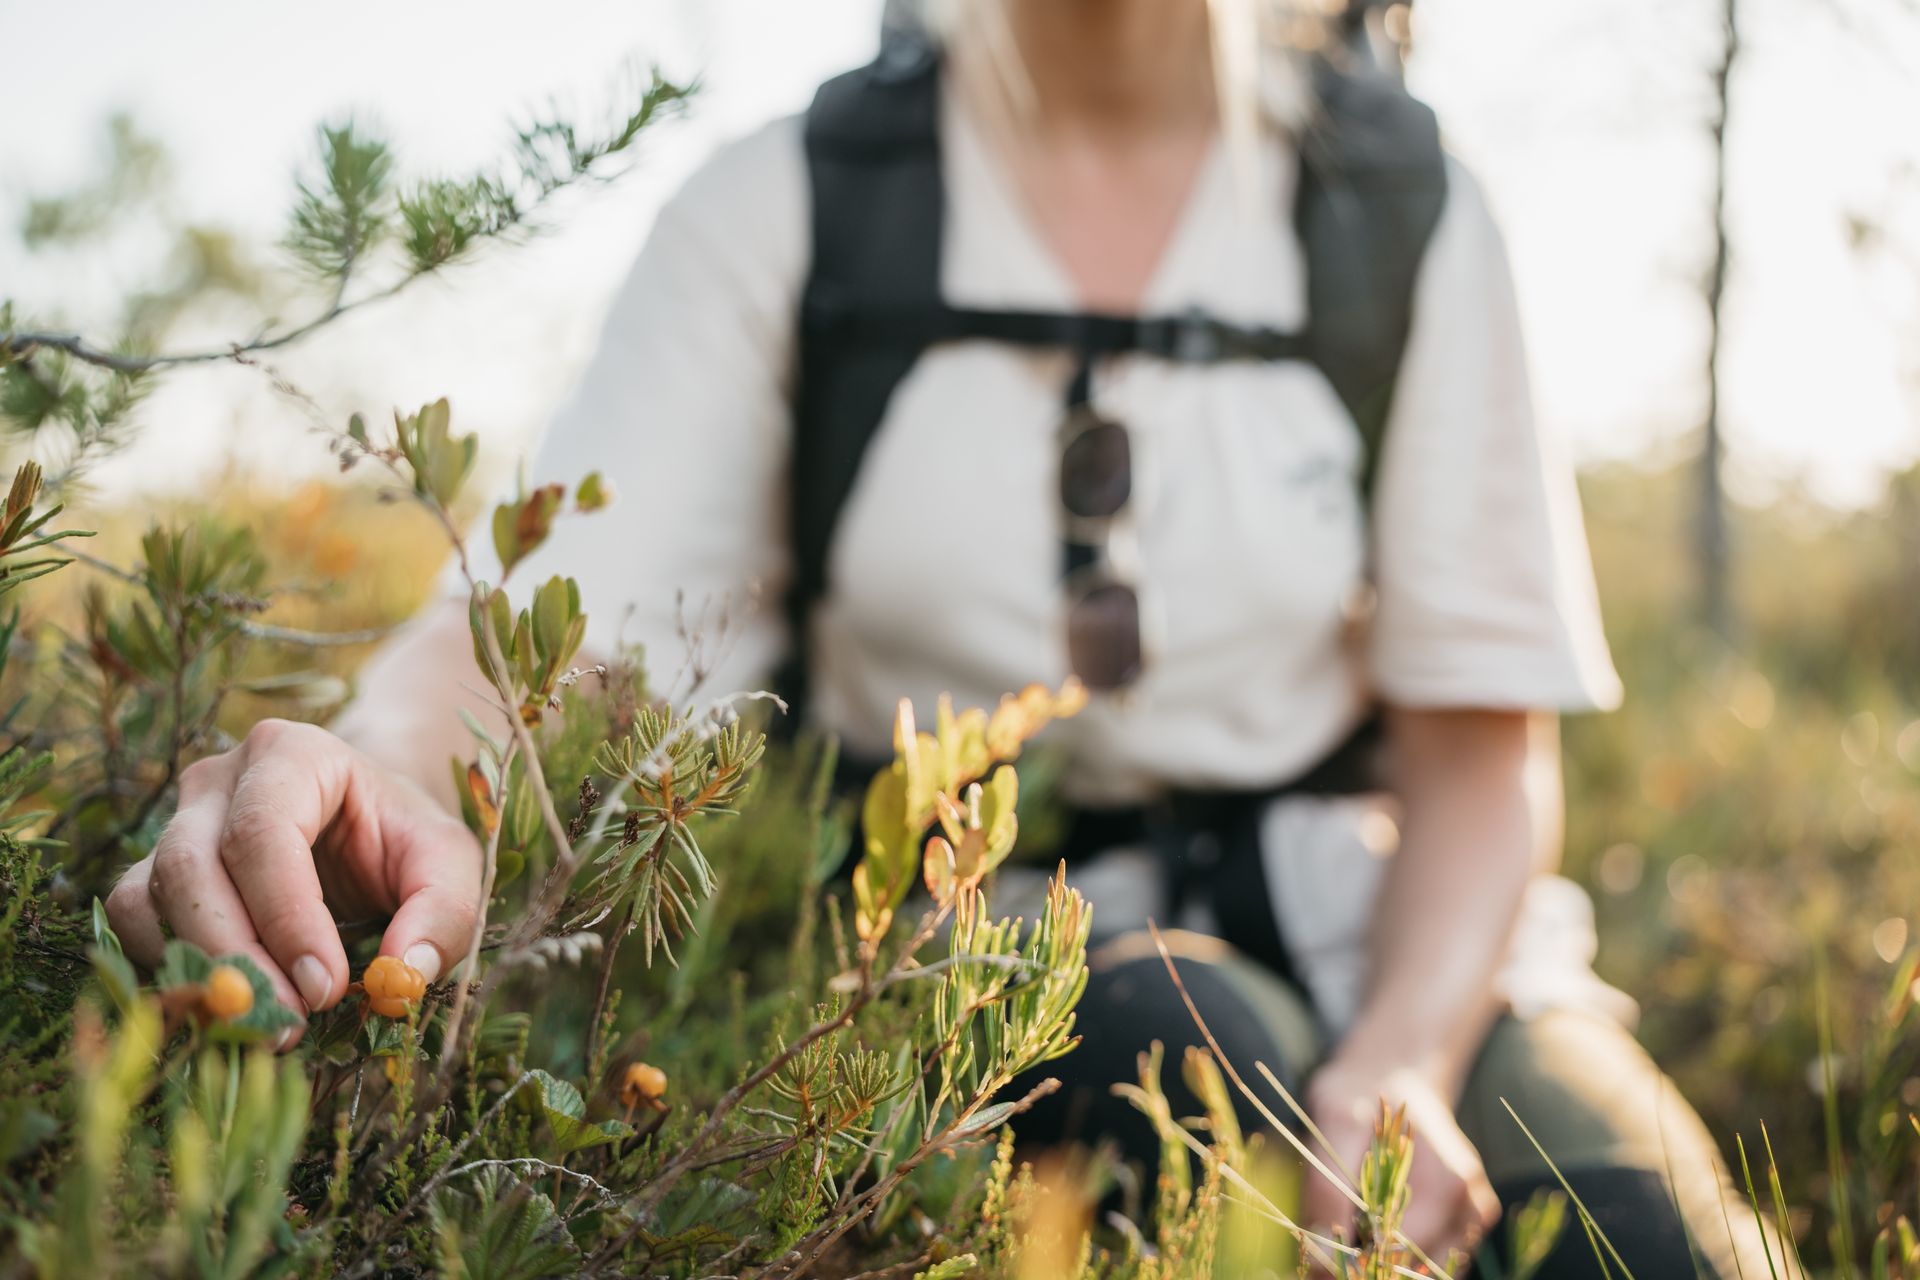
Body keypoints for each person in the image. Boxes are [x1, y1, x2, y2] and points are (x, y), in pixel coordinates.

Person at [107, 0, 1773, 1273]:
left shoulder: (1402, 210)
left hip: (1407, 932)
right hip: (996, 938)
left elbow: (1482, 764)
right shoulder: (797, 206)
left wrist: (1404, 1056)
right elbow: (539, 650)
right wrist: (373, 768)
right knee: (1179, 1075)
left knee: (1640, 1227)